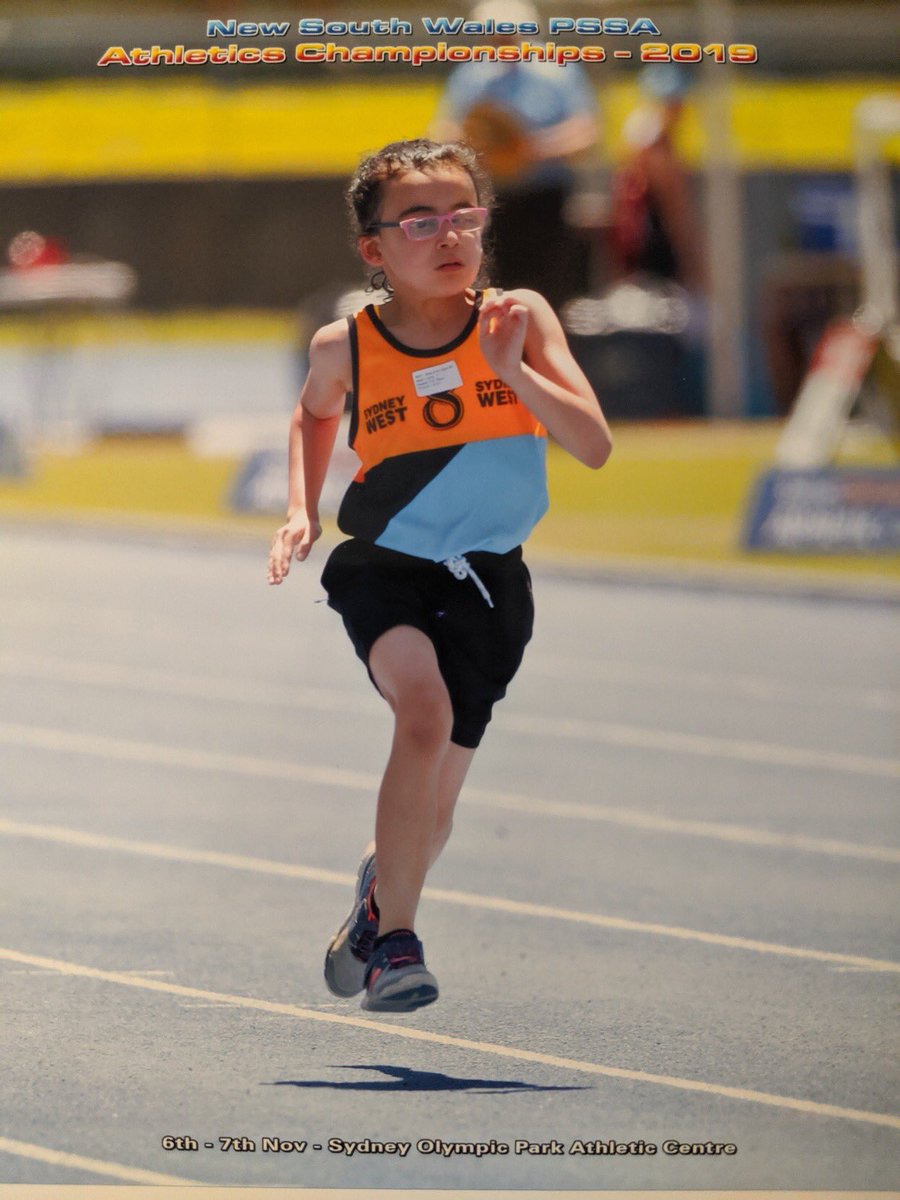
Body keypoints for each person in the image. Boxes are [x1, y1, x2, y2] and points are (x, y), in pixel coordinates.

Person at [267, 138, 612, 1014]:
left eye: (464, 214)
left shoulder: (521, 318)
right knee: (422, 715)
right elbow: (312, 419)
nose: (448, 235)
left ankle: (382, 893)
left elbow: (593, 445)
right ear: (375, 250)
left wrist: (509, 374)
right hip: (386, 567)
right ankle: (399, 948)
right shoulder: (346, 345)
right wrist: (302, 508)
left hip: (493, 579)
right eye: (420, 221)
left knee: (438, 807)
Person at [430, 1, 599, 310]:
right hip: (492, 198)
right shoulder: (471, 76)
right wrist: (480, 149)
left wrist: (529, 151)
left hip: (547, 198)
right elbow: (445, 131)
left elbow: (585, 132)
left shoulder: (556, 71)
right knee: (496, 287)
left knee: (550, 289)